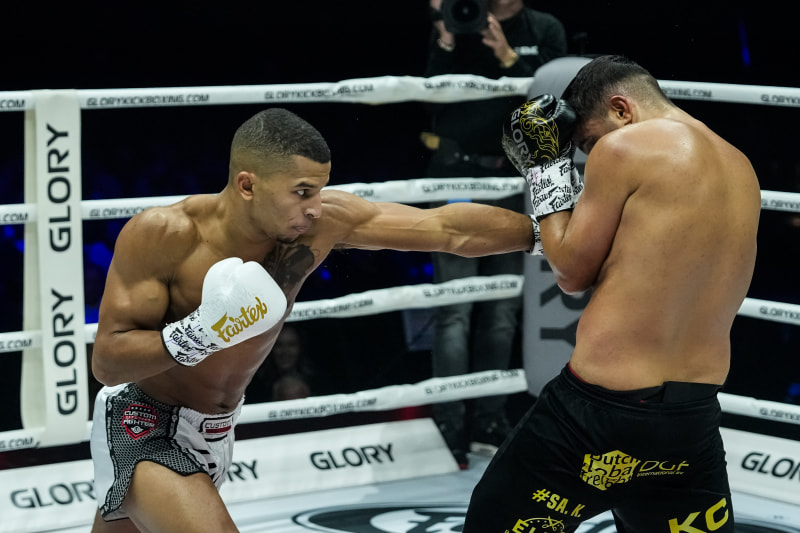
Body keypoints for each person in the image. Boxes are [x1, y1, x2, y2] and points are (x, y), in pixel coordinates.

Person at [88, 107, 539, 532]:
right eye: (302, 192)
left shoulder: (317, 226)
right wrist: (202, 332)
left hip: (217, 430)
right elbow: (108, 361)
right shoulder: (166, 235)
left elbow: (447, 228)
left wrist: (547, 233)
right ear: (247, 185)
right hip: (144, 422)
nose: (316, 207)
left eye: (320, 190)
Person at [464, 55, 761, 531]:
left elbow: (570, 271)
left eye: (588, 143)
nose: (591, 155)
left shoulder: (624, 146)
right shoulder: (740, 165)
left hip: (599, 413)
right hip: (691, 416)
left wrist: (546, 169)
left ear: (621, 109)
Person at [423, 0, 567, 467]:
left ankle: (489, 418)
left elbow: (554, 108)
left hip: (511, 181)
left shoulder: (544, 28)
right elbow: (429, 100)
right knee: (455, 308)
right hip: (454, 176)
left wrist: (508, 57)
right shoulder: (457, 21)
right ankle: (448, 422)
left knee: (503, 308)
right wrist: (446, 41)